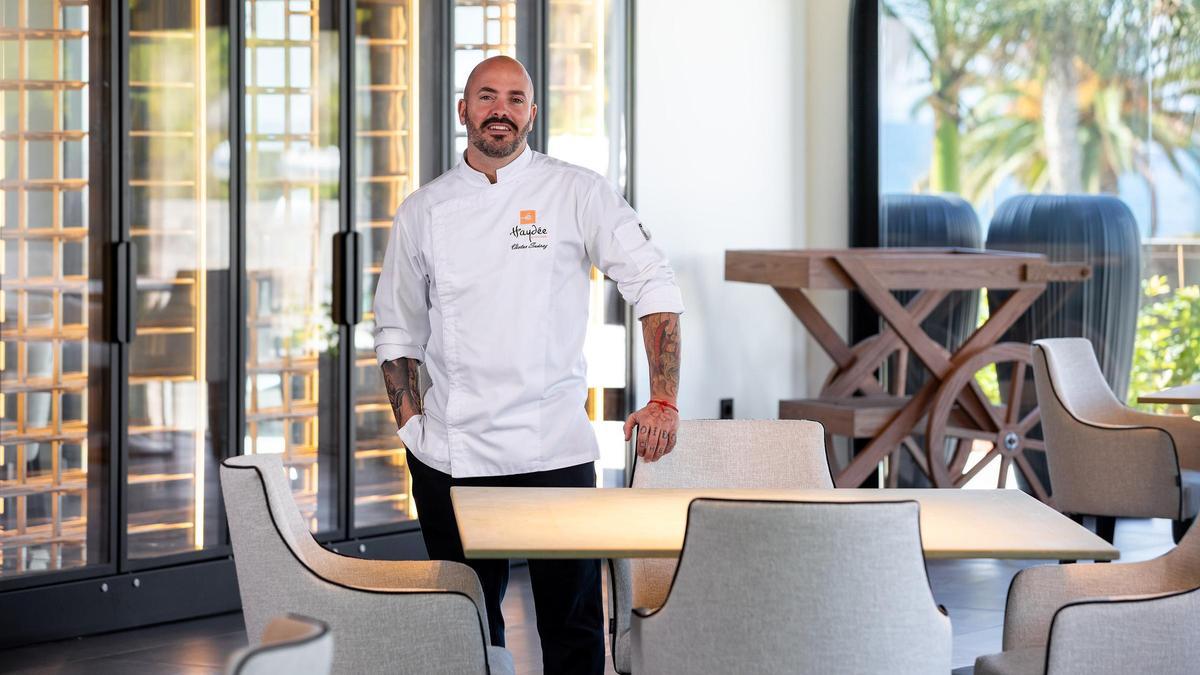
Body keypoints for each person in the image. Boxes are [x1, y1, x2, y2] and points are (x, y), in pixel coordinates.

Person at [373, 55, 683, 674]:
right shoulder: (425, 209)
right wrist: (413, 428)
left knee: (572, 630)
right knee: (465, 631)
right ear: (464, 110)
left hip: (555, 452)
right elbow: (396, 327)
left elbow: (653, 283)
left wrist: (664, 398)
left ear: (532, 115)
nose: (501, 110)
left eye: (516, 99)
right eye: (487, 96)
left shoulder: (577, 192)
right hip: (453, 456)